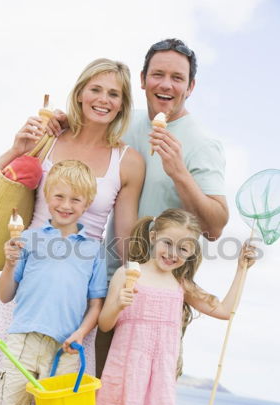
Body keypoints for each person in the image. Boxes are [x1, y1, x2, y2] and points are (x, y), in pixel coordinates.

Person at [0, 58, 145, 405]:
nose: (103, 100)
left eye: (114, 94)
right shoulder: (48, 136)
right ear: (80, 90)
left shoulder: (129, 160)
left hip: (76, 297)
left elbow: (123, 240)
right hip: (27, 279)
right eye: (96, 89)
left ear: (123, 105)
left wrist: (137, 284)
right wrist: (17, 147)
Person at [46, 39, 229, 379]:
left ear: (190, 87)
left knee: (142, 394)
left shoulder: (203, 143)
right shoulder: (125, 123)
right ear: (143, 79)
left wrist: (179, 173)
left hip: (161, 291)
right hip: (106, 281)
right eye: (157, 74)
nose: (166, 84)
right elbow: (86, 129)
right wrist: (61, 121)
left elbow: (215, 227)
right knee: (90, 387)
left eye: (177, 77)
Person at [67, 208, 257, 405]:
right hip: (124, 379)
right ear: (153, 236)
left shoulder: (182, 284)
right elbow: (105, 324)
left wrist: (241, 270)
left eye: (184, 248)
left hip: (158, 388)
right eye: (167, 243)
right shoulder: (128, 273)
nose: (173, 253)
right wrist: (119, 304)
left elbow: (225, 310)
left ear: (192, 253)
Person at [0, 160, 107, 405]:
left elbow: (95, 305)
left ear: (87, 204)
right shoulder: (28, 240)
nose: (65, 205)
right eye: (59, 196)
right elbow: (5, 294)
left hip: (65, 350)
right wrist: (7, 263)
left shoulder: (94, 252)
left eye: (75, 199)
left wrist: (80, 334)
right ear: (46, 195)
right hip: (23, 342)